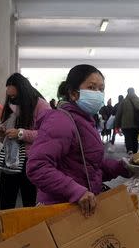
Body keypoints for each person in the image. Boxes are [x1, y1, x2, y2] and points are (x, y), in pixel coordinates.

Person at [27, 64, 132, 215]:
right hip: (61, 209)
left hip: (80, 207)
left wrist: (124, 167)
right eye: (91, 87)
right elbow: (37, 166)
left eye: (101, 89)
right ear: (73, 93)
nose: (98, 93)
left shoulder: (86, 121)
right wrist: (76, 191)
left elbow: (90, 165)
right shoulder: (61, 121)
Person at [0, 73, 51, 210]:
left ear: (24, 92)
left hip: (31, 161)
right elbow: (5, 139)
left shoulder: (41, 105)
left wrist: (20, 133)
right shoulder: (11, 106)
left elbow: (47, 134)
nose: (12, 100)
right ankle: (7, 231)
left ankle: (31, 231)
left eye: (14, 96)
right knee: (6, 204)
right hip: (10, 161)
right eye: (10, 96)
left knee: (30, 203)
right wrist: (2, 134)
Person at [115, 87, 139, 154]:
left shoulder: (123, 102)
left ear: (128, 92)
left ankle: (129, 150)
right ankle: (135, 152)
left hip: (126, 125)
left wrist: (117, 124)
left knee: (128, 137)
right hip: (137, 124)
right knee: (135, 138)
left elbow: (119, 114)